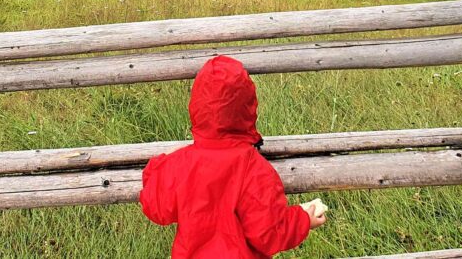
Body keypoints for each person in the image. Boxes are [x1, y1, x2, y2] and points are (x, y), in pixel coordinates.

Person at [140, 56, 326, 258]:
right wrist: (304, 219)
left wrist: (158, 167)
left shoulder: (179, 164)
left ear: (196, 107)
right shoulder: (254, 168)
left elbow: (155, 205)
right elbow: (268, 234)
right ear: (247, 109)